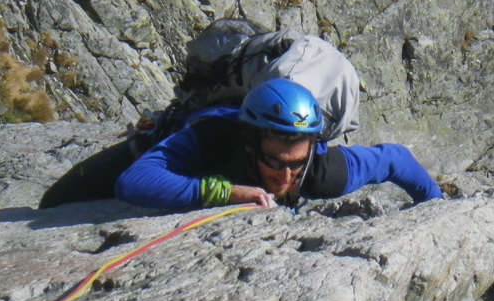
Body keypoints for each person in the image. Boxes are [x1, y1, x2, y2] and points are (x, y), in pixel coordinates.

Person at [112, 78, 442, 212]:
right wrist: (226, 192)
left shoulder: (321, 172)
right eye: (274, 161)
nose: (285, 177)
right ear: (249, 145)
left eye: (296, 163)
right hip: (184, 125)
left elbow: (396, 159)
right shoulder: (213, 137)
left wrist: (437, 206)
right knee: (76, 190)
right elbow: (133, 182)